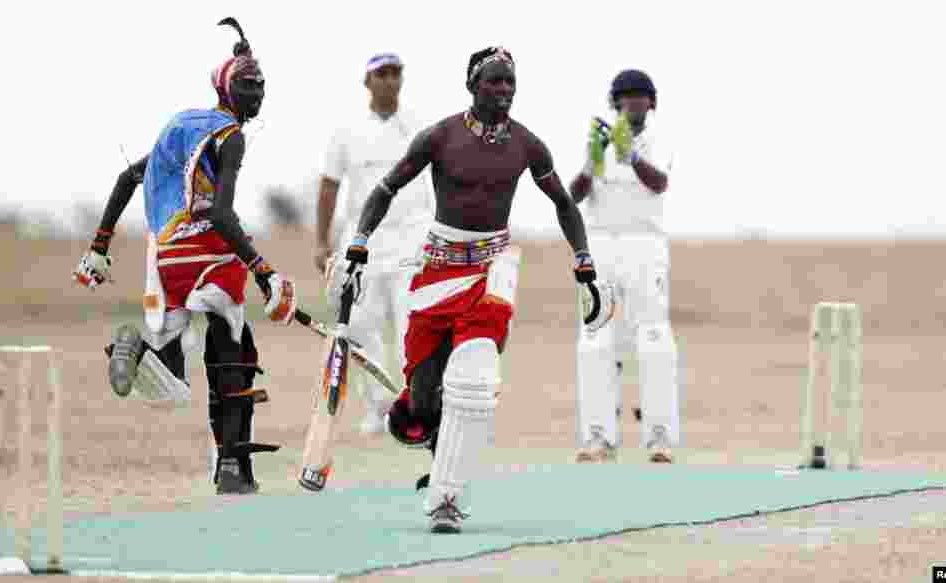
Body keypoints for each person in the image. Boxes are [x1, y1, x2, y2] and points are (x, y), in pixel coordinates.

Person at [341, 47, 610, 534]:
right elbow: (384, 189)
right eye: (494, 82)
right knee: (424, 397)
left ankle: (447, 498)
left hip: (493, 270)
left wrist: (584, 262)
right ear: (472, 86)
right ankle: (435, 441)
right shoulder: (438, 137)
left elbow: (564, 204)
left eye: (510, 82)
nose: (504, 90)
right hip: (437, 267)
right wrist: (358, 244)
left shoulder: (528, 145)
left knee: (474, 381)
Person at [70, 18, 296, 495]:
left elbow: (129, 177)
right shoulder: (229, 135)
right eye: (246, 85)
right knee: (234, 354)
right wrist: (264, 270)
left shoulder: (184, 125)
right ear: (224, 87)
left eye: (261, 85)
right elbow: (220, 212)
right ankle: (233, 469)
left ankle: (139, 350)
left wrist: (100, 247)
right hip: (212, 256)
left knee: (172, 373)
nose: (256, 94)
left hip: (169, 255)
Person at [314, 52, 435, 436]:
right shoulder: (346, 131)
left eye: (396, 73)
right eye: (381, 74)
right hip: (363, 240)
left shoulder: (419, 127)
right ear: (367, 81)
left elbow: (443, 179)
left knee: (410, 329)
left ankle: (412, 406)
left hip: (412, 237)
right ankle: (377, 410)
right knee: (364, 328)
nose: (389, 80)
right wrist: (322, 241)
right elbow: (330, 186)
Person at [568, 69, 680, 464]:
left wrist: (629, 154)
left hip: (645, 246)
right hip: (600, 246)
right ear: (614, 102)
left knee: (652, 339)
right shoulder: (598, 138)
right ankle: (598, 436)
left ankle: (659, 437)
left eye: (640, 96)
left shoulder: (658, 138)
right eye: (625, 97)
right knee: (596, 338)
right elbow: (574, 195)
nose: (632, 103)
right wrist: (591, 163)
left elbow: (658, 183)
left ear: (652, 102)